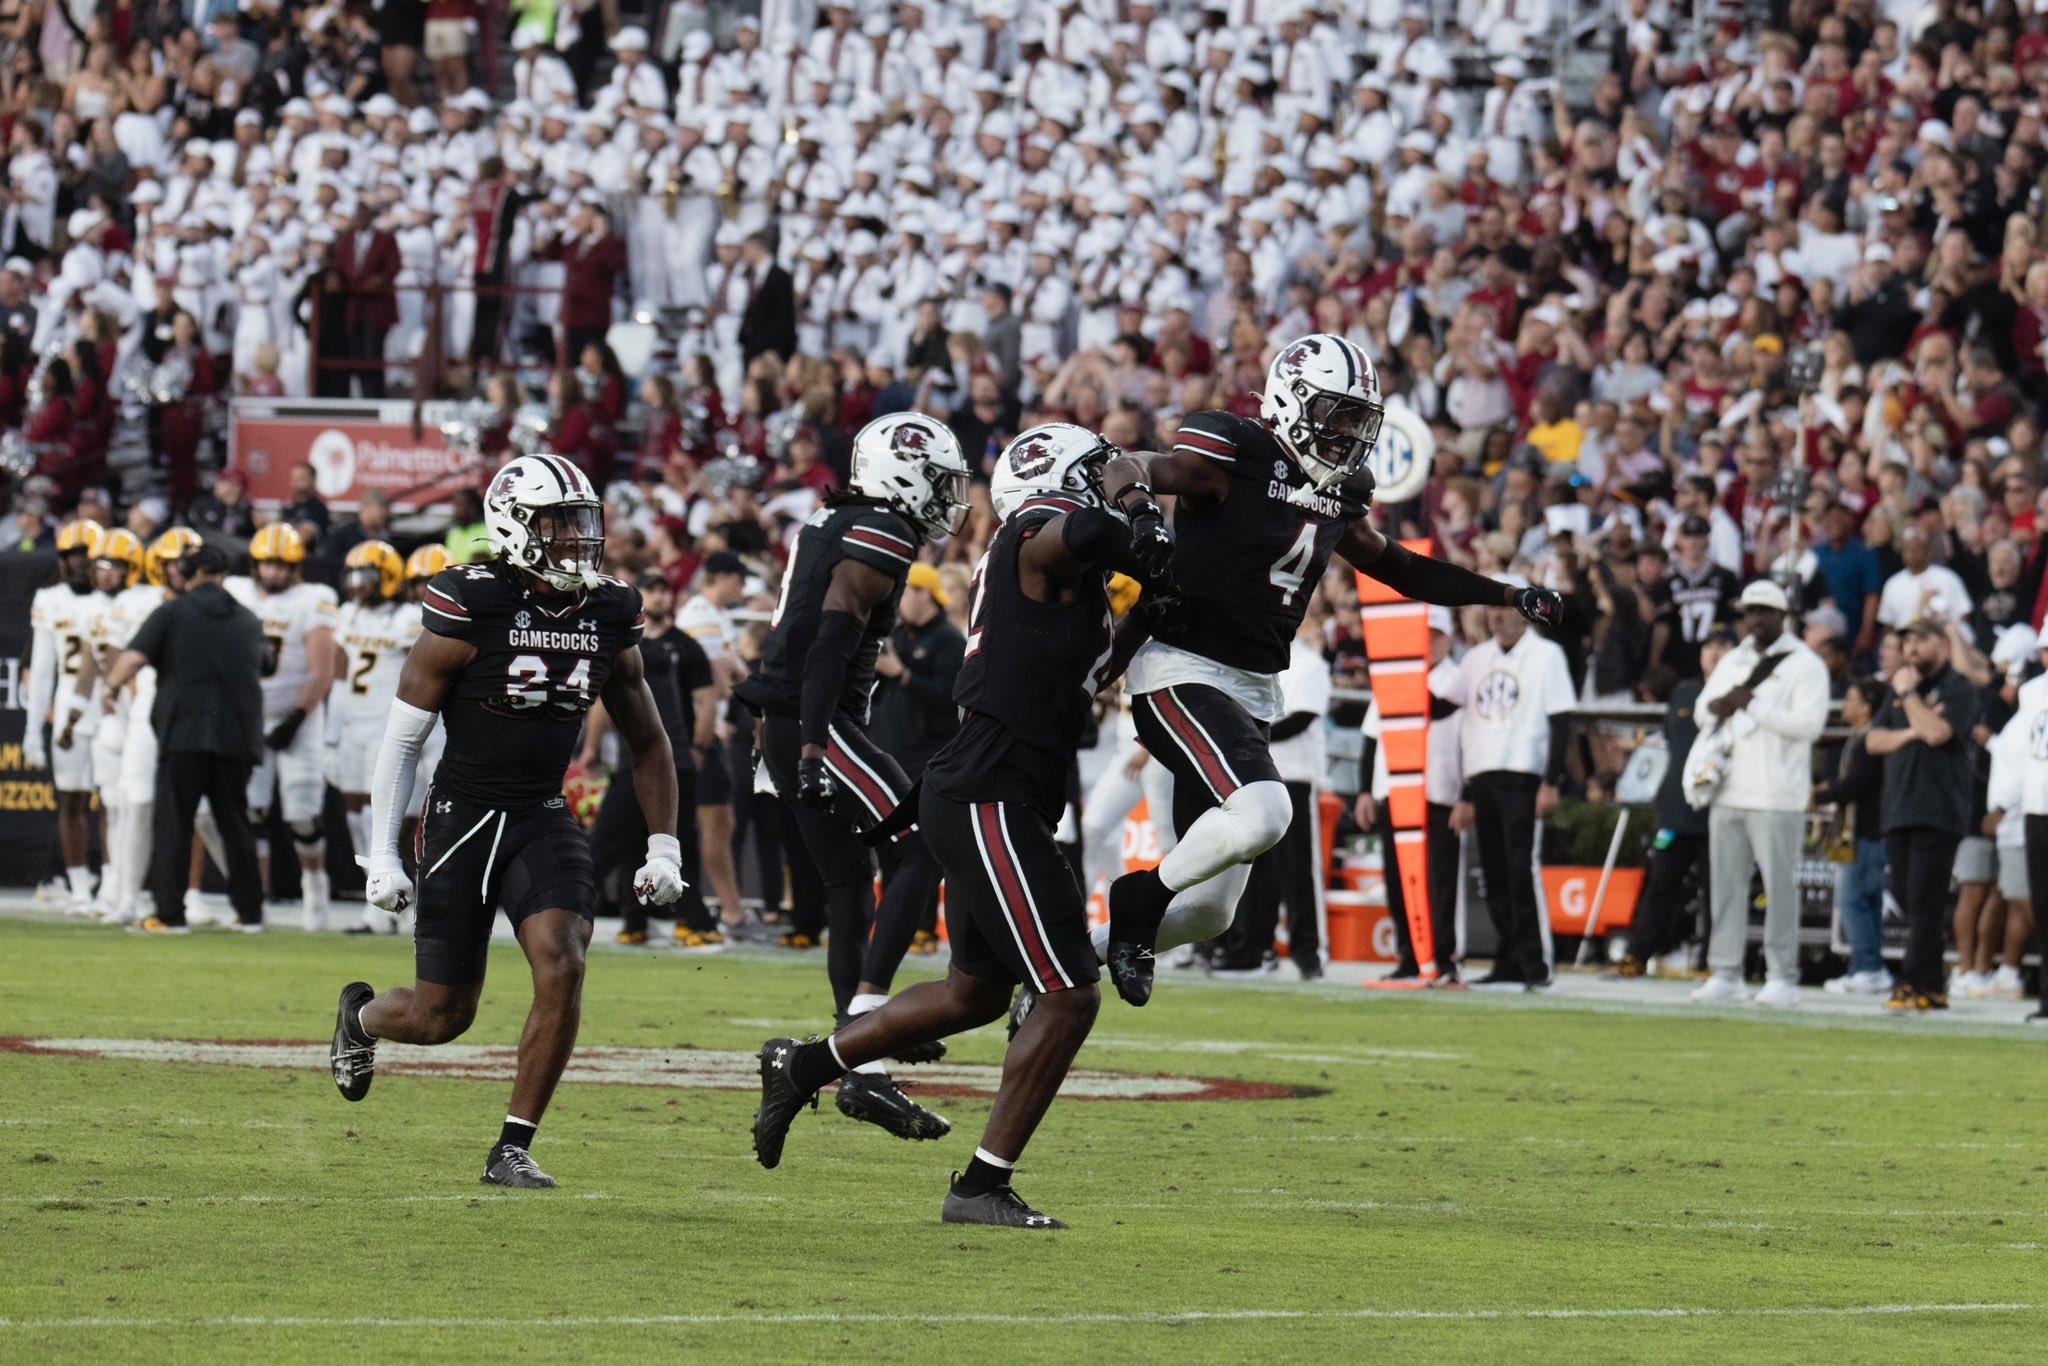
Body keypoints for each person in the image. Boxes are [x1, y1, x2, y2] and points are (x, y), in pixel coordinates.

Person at [752, 423, 1173, 1230]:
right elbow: (1086, 527)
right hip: (991, 793)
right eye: (1098, 471)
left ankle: (806, 1064)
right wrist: (1132, 497)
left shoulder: (1061, 573)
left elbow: (1085, 672)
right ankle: (981, 1184)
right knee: (1069, 994)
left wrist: (1149, 612)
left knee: (974, 993)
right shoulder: (1035, 531)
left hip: (1001, 790)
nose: (1115, 481)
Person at [1102, 334, 1560, 1005]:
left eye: (1357, 418)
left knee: (1210, 914)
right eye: (1337, 413)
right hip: (1180, 668)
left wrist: (1503, 592)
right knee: (1264, 813)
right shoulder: (1234, 453)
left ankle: (1062, 970)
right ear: (1292, 401)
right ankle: (1137, 899)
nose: (1348, 432)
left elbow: (1401, 569)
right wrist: (1142, 516)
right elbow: (1126, 463)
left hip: (1253, 689)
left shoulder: (1338, 493)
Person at [328, 453, 685, 1189]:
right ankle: (360, 1019)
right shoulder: (471, 602)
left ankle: (512, 1146)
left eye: (583, 525)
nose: (577, 541)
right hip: (464, 815)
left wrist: (664, 846)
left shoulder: (607, 610)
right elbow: (403, 741)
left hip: (541, 812)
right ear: (515, 525)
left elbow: (648, 740)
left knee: (564, 959)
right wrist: (382, 855)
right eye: (559, 526)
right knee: (440, 1015)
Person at [735, 413, 972, 1144]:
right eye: (938, 480)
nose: (948, 497)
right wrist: (813, 745)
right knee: (925, 843)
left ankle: (862, 1071)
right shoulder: (883, 529)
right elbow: (834, 632)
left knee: (848, 883)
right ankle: (866, 1021)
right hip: (818, 725)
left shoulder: (835, 518)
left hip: (793, 723)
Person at [99, 542, 266, 935]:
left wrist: (110, 687)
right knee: (235, 824)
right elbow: (267, 664)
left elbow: (133, 659)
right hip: (236, 736)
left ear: (186, 575)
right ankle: (251, 913)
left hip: (185, 733)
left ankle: (170, 914)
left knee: (175, 823)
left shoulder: (171, 612)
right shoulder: (249, 619)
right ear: (223, 576)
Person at [1690, 580, 1831, 1008]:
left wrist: (1753, 705)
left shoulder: (1805, 665)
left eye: (1763, 611)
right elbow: (1702, 709)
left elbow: (1810, 726)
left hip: (1776, 793)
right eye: (1749, 611)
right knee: (1727, 887)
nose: (1754, 619)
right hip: (1729, 787)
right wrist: (1718, 707)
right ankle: (1726, 970)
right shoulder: (1735, 657)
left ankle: (1782, 975)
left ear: (1782, 615)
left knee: (1780, 888)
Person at [1448, 573, 1577, 990]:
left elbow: (1561, 722)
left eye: (1505, 608)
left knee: (1522, 869)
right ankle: (1508, 957)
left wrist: (1551, 780)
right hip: (1483, 773)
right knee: (1494, 872)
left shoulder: (1547, 657)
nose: (1497, 617)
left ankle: (1536, 963)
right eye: (1492, 608)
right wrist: (1465, 792)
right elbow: (1463, 724)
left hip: (1523, 772)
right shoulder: (1474, 659)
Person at [584, 569, 720, 946]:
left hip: (673, 759)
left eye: (665, 590)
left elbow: (707, 700)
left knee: (670, 842)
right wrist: (593, 748)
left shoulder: (683, 646)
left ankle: (693, 920)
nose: (659, 597)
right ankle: (635, 919)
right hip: (633, 760)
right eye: (653, 590)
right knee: (625, 842)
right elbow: (604, 703)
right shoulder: (626, 644)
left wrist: (699, 747)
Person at [225, 525, 339, 931]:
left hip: (299, 716)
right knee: (251, 811)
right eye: (267, 563)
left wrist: (295, 718)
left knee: (301, 813)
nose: (272, 572)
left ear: (295, 567)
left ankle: (314, 888)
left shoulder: (313, 600)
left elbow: (323, 670)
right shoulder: (238, 593)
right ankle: (258, 899)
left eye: (281, 564)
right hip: (252, 716)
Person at [1867, 617, 1980, 1012]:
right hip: (1898, 807)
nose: (1911, 649)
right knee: (1908, 898)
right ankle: (1930, 982)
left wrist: (1911, 698)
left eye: (1919, 641)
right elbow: (1874, 740)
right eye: (1906, 642)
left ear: (1941, 645)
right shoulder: (1897, 691)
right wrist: (1911, 730)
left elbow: (1938, 733)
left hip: (1938, 808)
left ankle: (1918, 981)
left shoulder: (1957, 688)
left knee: (1923, 900)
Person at [1608, 629, 1732, 979]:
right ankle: (1637, 954)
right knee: (1660, 885)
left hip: (1716, 810)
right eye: (1709, 646)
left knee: (1716, 891)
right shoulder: (1684, 691)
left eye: (1723, 646)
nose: (1715, 653)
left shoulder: (1737, 694)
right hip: (1676, 810)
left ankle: (1713, 961)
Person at [1224, 609, 1331, 978]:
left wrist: (1252, 735)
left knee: (1296, 870)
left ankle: (1308, 953)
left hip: (1293, 775)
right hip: (1258, 779)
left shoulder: (1311, 664)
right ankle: (1254, 949)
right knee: (1257, 871)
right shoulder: (1258, 662)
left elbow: (1302, 717)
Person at [326, 541, 420, 935]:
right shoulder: (346, 614)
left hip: (387, 727)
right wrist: (331, 732)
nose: (358, 583)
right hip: (352, 724)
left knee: (382, 817)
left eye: (367, 575)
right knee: (354, 814)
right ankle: (376, 902)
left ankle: (402, 902)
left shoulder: (407, 617)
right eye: (354, 575)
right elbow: (341, 673)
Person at [24, 518, 108, 914]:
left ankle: (112, 883)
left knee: (113, 801)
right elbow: (41, 670)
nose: (80, 563)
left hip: (110, 709)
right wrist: (31, 729)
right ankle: (77, 885)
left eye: (86, 556)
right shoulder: (49, 599)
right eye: (73, 556)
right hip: (69, 712)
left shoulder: (118, 600)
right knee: (71, 800)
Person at [675, 550, 754, 946]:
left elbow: (733, 672)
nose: (742, 590)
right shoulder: (699, 616)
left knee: (720, 823)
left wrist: (735, 670)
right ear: (722, 577)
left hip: (709, 732)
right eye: (739, 581)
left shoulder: (712, 614)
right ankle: (730, 911)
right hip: (703, 735)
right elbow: (720, 682)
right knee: (714, 824)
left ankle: (728, 908)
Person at [84, 529, 152, 925]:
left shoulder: (140, 600)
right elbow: (108, 659)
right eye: (101, 566)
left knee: (136, 805)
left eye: (115, 567)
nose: (106, 574)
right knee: (121, 804)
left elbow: (121, 658)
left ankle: (129, 893)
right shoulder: (113, 604)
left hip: (146, 711)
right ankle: (119, 891)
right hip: (125, 712)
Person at [1813, 677, 1893, 995]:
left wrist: (1822, 793)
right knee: (1868, 902)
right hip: (1869, 832)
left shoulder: (1871, 740)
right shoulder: (1862, 737)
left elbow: (1855, 785)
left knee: (1852, 900)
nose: (1844, 705)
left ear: (1866, 707)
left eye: (1850, 699)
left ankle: (1868, 966)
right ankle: (1869, 966)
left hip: (1866, 832)